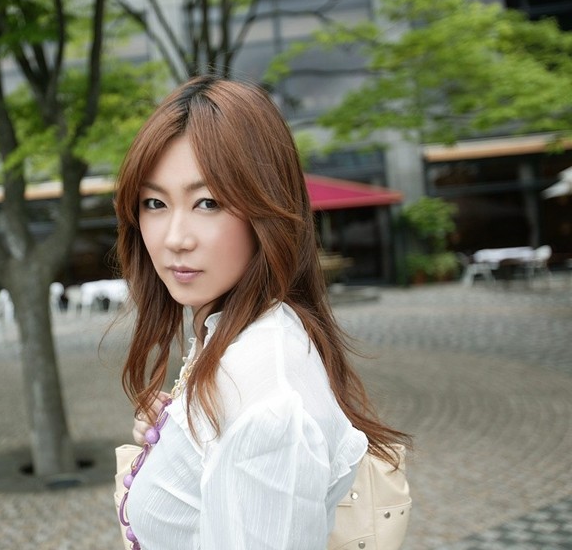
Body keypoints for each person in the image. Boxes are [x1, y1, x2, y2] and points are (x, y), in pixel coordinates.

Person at [114, 75, 410, 549]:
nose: (174, 238)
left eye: (208, 202)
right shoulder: (230, 336)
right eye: (155, 203)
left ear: (266, 209)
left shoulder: (269, 406)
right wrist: (171, 444)